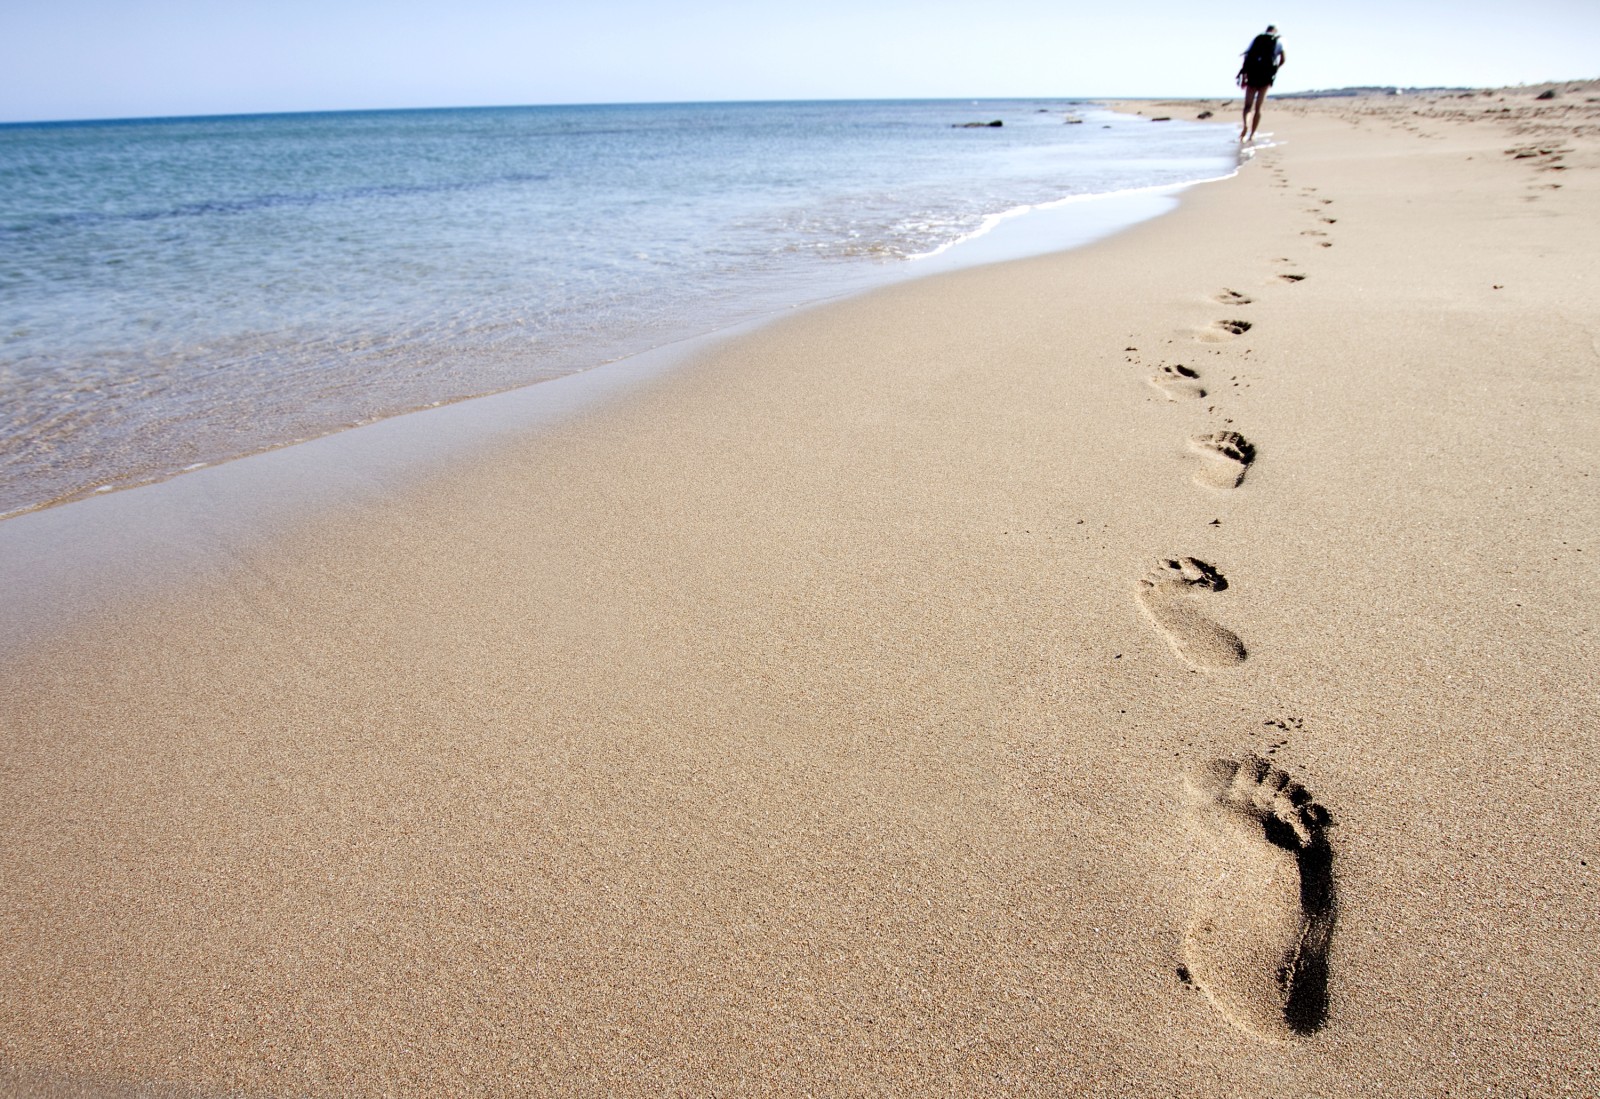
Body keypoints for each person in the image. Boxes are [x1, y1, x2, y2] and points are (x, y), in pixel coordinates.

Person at [1236, 25, 1285, 142]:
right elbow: (1283, 59)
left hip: (1253, 74)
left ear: (1266, 30)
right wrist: (1275, 69)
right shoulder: (1279, 40)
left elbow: (1247, 56)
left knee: (1248, 106)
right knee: (1258, 108)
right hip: (1266, 76)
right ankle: (1252, 134)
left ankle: (1245, 126)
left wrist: (1244, 75)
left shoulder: (1257, 39)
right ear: (1275, 31)